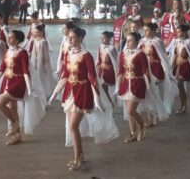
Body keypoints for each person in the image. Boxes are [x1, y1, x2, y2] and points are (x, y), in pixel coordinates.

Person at [49, 27, 118, 171]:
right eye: (69, 37)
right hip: (70, 93)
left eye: (73, 37)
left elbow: (92, 78)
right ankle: (79, 155)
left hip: (82, 93)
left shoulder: (86, 56)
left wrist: (97, 98)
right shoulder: (68, 54)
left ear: (80, 38)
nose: (70, 39)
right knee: (71, 127)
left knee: (73, 126)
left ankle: (78, 158)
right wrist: (55, 92)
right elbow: (65, 75)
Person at [0, 30, 45, 145]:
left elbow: (25, 72)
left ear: (18, 40)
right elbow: (1, 69)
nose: (8, 40)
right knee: (12, 108)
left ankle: (15, 124)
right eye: (8, 37)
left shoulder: (22, 52)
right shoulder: (8, 51)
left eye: (11, 38)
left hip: (18, 82)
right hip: (7, 81)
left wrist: (29, 88)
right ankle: (18, 135)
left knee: (0, 104)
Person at [117, 32, 150, 143]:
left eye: (130, 40)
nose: (128, 42)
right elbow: (121, 70)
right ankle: (132, 133)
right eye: (127, 40)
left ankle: (142, 128)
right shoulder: (123, 54)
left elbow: (145, 71)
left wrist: (149, 85)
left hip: (137, 84)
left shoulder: (141, 54)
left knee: (131, 111)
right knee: (128, 111)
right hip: (126, 84)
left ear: (136, 41)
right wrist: (118, 84)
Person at [138, 22, 174, 125]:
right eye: (144, 30)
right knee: (147, 92)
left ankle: (155, 115)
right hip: (145, 70)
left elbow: (163, 56)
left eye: (147, 30)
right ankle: (150, 114)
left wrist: (166, 69)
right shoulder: (142, 41)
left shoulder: (158, 41)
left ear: (153, 31)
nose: (145, 32)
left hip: (155, 69)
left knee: (154, 92)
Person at [166, 24, 190, 114]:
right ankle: (184, 102)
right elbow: (170, 51)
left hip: (186, 66)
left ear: (184, 33)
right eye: (177, 31)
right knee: (180, 86)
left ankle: (183, 105)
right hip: (177, 66)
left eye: (179, 31)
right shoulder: (175, 41)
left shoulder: (189, 42)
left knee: (180, 84)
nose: (177, 33)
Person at [28, 24, 56, 96]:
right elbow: (34, 52)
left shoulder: (43, 42)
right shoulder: (35, 41)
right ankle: (38, 91)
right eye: (36, 32)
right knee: (36, 76)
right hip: (35, 61)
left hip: (42, 62)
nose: (37, 33)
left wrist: (46, 65)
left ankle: (45, 92)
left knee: (42, 76)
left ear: (42, 32)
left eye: (38, 32)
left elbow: (46, 55)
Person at [96, 31, 119, 105]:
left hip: (109, 72)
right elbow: (98, 60)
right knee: (103, 89)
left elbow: (116, 61)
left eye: (104, 38)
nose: (102, 40)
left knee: (104, 89)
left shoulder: (112, 49)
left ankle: (110, 103)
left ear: (109, 39)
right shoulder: (100, 48)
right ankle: (109, 103)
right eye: (101, 38)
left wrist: (116, 72)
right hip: (102, 71)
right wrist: (98, 67)